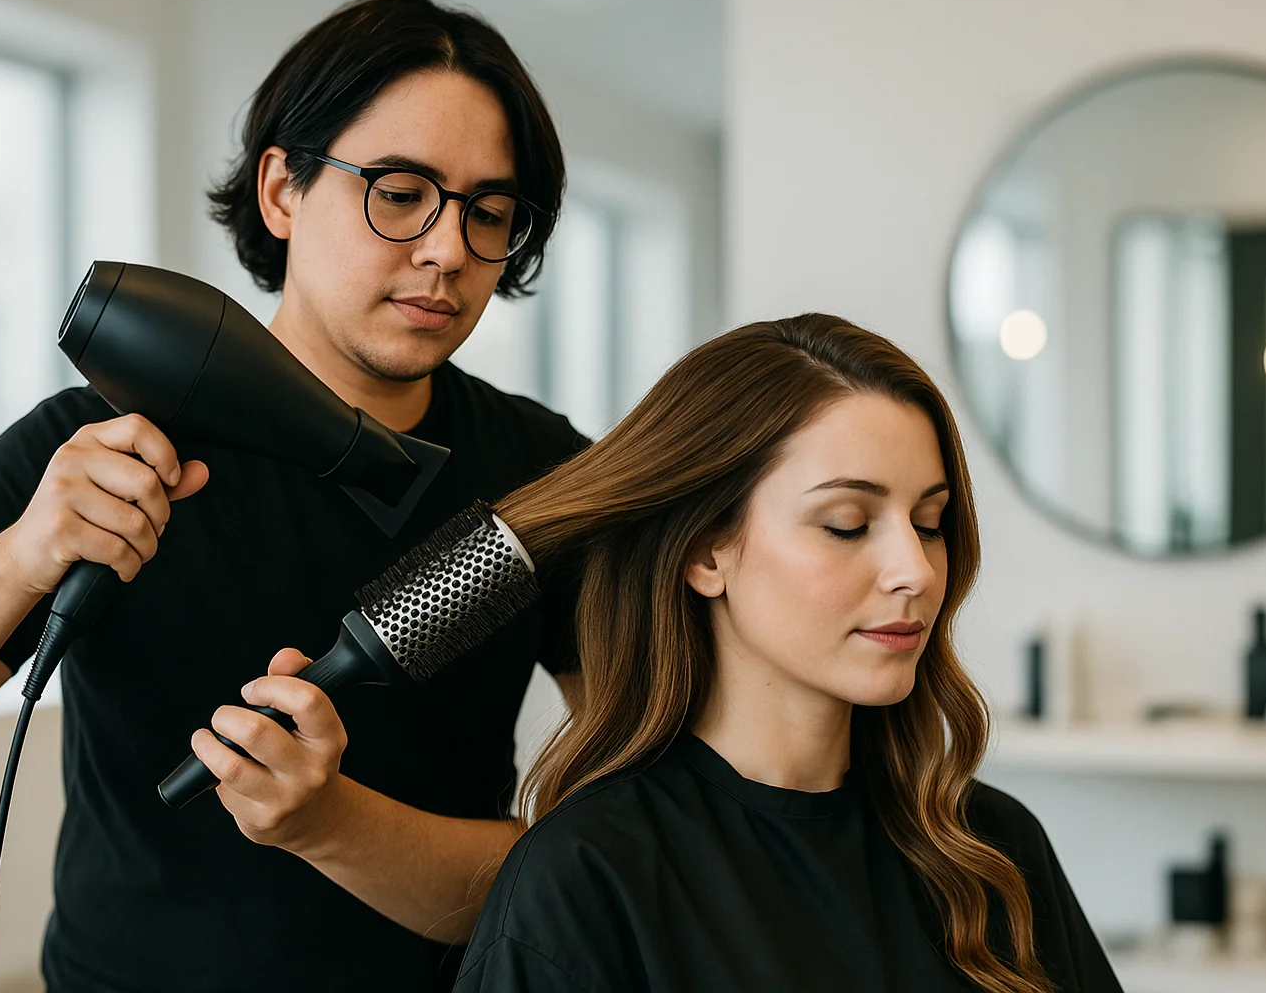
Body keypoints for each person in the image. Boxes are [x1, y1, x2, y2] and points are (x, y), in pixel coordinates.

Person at [0, 0, 587, 992]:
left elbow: (598, 853)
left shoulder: (549, 479)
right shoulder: (99, 449)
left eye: (489, 211)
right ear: (284, 188)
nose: (445, 249)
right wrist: (21, 555)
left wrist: (332, 826)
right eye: (399, 190)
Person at [454, 315, 1122, 993]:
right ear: (705, 551)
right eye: (847, 525)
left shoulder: (988, 847)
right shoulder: (586, 879)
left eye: (929, 523)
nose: (915, 570)